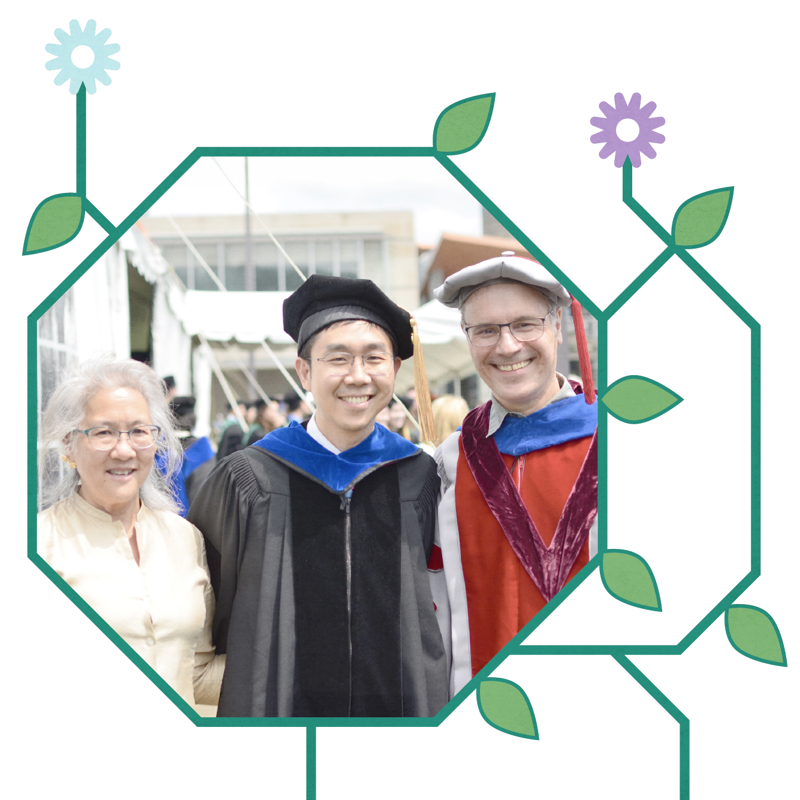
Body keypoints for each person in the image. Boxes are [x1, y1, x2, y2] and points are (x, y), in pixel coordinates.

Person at [188, 275, 448, 717]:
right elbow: (207, 604)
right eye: (339, 359)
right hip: (280, 713)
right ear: (305, 371)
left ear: (396, 370)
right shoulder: (248, 479)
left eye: (374, 358)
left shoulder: (419, 477)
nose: (358, 376)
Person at [433, 253, 598, 696]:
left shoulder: (617, 445)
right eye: (485, 330)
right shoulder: (451, 459)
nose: (506, 347)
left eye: (525, 324)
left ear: (559, 326)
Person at [37, 355, 225, 712]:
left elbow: (196, 676)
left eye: (139, 431)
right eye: (103, 432)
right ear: (68, 445)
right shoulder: (41, 544)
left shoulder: (186, 538)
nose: (124, 450)